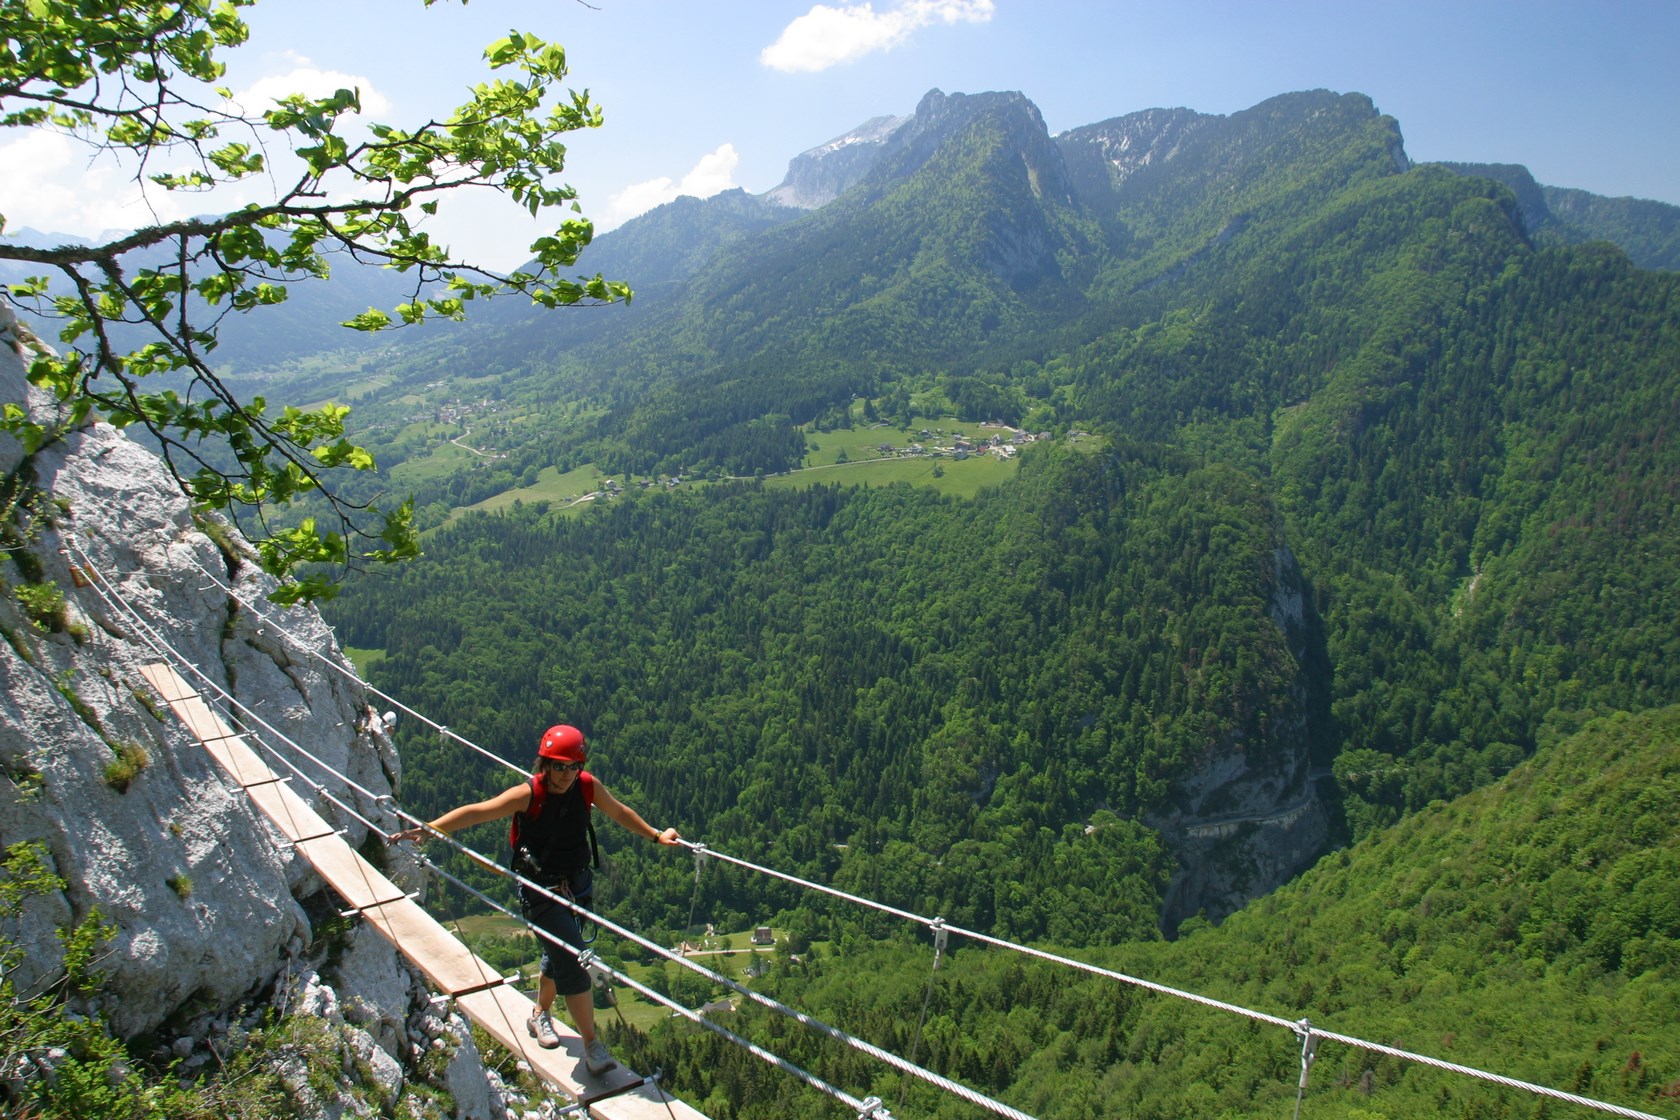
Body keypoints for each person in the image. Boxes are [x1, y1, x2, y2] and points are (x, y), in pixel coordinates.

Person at [393, 724, 680, 1076]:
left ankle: (539, 1014)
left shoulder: (587, 786)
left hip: (577, 885)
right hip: (539, 891)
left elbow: (619, 812)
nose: (565, 774)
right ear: (544, 764)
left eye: (572, 767)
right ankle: (593, 1046)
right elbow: (480, 810)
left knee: (557, 953)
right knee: (574, 961)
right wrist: (430, 828)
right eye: (558, 766)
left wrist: (655, 835)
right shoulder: (528, 793)